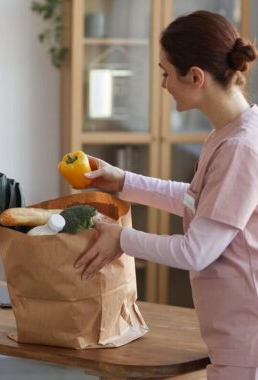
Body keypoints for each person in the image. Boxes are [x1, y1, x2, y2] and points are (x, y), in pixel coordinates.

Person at [73, 10, 258, 379]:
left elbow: (196, 252)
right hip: (234, 333)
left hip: (246, 341)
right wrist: (122, 180)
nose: (163, 84)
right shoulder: (228, 134)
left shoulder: (241, 148)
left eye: (165, 72)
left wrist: (121, 239)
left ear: (195, 77)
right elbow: (195, 202)